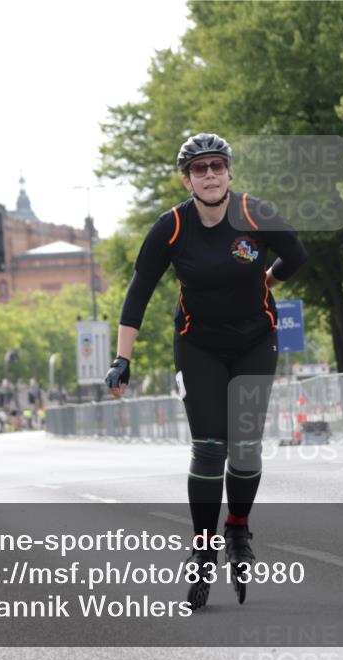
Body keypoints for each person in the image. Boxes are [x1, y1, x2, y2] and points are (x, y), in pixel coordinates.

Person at [105, 133, 308, 609]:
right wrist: (122, 358)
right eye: (200, 168)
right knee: (210, 445)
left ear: (230, 172)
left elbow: (296, 255)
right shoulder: (172, 227)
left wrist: (267, 280)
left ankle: (237, 526)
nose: (211, 174)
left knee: (246, 445)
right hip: (198, 346)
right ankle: (203, 548)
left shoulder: (255, 214)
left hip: (256, 341)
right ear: (187, 179)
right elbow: (139, 291)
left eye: (218, 166)